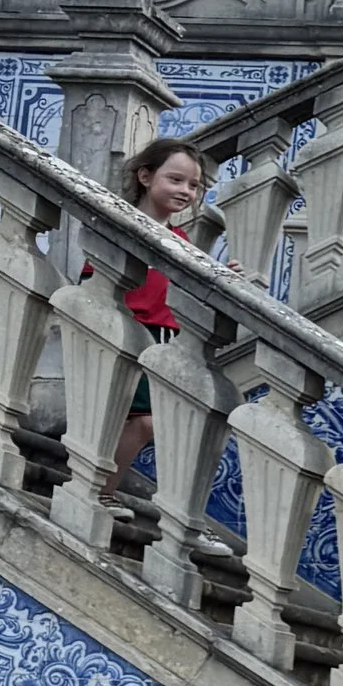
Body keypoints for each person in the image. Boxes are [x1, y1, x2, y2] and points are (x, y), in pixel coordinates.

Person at [107, 138, 211, 489]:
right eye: (176, 179)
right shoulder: (120, 222)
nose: (186, 191)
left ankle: (102, 490)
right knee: (146, 422)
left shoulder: (181, 238)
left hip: (165, 342)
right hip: (130, 333)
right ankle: (100, 493)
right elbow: (96, 278)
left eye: (194, 185)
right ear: (145, 176)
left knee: (149, 422)